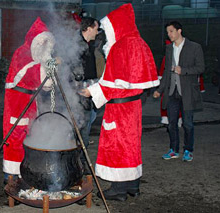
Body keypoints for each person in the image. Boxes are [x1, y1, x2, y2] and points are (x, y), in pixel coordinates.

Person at [80, 4, 159, 201]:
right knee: (132, 145)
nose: (106, 35)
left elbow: (112, 84)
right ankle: (133, 186)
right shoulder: (139, 43)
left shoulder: (121, 47)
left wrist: (91, 91)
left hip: (120, 108)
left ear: (117, 26)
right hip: (133, 106)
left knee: (118, 146)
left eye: (108, 30)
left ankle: (118, 190)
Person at [3, 17, 57, 183]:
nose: (44, 46)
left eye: (47, 42)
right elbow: (33, 75)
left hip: (30, 101)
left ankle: (25, 174)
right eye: (42, 41)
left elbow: (45, 85)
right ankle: (11, 178)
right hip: (17, 103)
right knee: (15, 139)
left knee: (29, 138)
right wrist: (49, 66)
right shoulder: (23, 53)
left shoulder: (38, 56)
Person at [153, 21, 205, 161]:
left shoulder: (194, 47)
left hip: (187, 92)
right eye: (168, 32)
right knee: (171, 123)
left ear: (179, 31)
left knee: (188, 124)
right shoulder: (169, 49)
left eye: (171, 31)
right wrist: (160, 89)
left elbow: (200, 68)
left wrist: (184, 71)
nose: (169, 34)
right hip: (171, 92)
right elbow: (166, 72)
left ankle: (188, 150)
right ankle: (173, 150)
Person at [77, 17, 99, 174]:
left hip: (89, 95)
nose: (97, 32)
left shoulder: (88, 46)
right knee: (81, 133)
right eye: (96, 28)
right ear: (89, 28)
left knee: (85, 129)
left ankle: (80, 163)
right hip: (79, 97)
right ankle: (79, 165)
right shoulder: (78, 46)